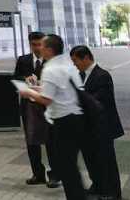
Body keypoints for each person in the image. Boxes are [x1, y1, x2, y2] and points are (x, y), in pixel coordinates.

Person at [19, 34, 87, 200]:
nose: (38, 48)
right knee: (70, 165)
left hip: (63, 120)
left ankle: (76, 196)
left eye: (41, 45)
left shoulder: (50, 69)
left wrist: (28, 92)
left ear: (49, 49)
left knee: (67, 166)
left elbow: (47, 100)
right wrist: (37, 89)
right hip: (76, 117)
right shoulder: (66, 64)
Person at [71, 45, 123, 200]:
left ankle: (112, 192)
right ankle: (98, 186)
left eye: (75, 61)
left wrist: (76, 99)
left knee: (106, 161)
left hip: (102, 127)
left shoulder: (102, 76)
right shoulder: (79, 75)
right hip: (86, 127)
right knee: (91, 160)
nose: (74, 65)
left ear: (86, 58)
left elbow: (98, 101)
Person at [13, 31, 57, 187]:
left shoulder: (52, 60)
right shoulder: (23, 60)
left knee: (51, 141)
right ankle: (37, 174)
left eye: (40, 44)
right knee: (32, 142)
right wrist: (24, 79)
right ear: (30, 44)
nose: (37, 48)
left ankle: (54, 175)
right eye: (34, 44)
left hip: (47, 106)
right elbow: (15, 77)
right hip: (29, 107)